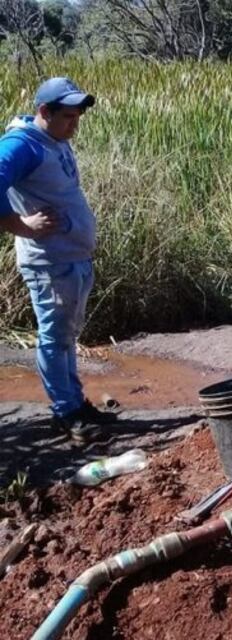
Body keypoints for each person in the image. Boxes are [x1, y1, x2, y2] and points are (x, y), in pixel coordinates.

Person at [0, 77, 116, 442]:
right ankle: (66, 413)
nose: (74, 124)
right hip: (50, 263)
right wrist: (20, 225)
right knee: (54, 338)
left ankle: (75, 404)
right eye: (67, 116)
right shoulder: (22, 145)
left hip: (71, 258)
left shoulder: (52, 139)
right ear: (43, 111)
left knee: (66, 337)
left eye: (78, 117)